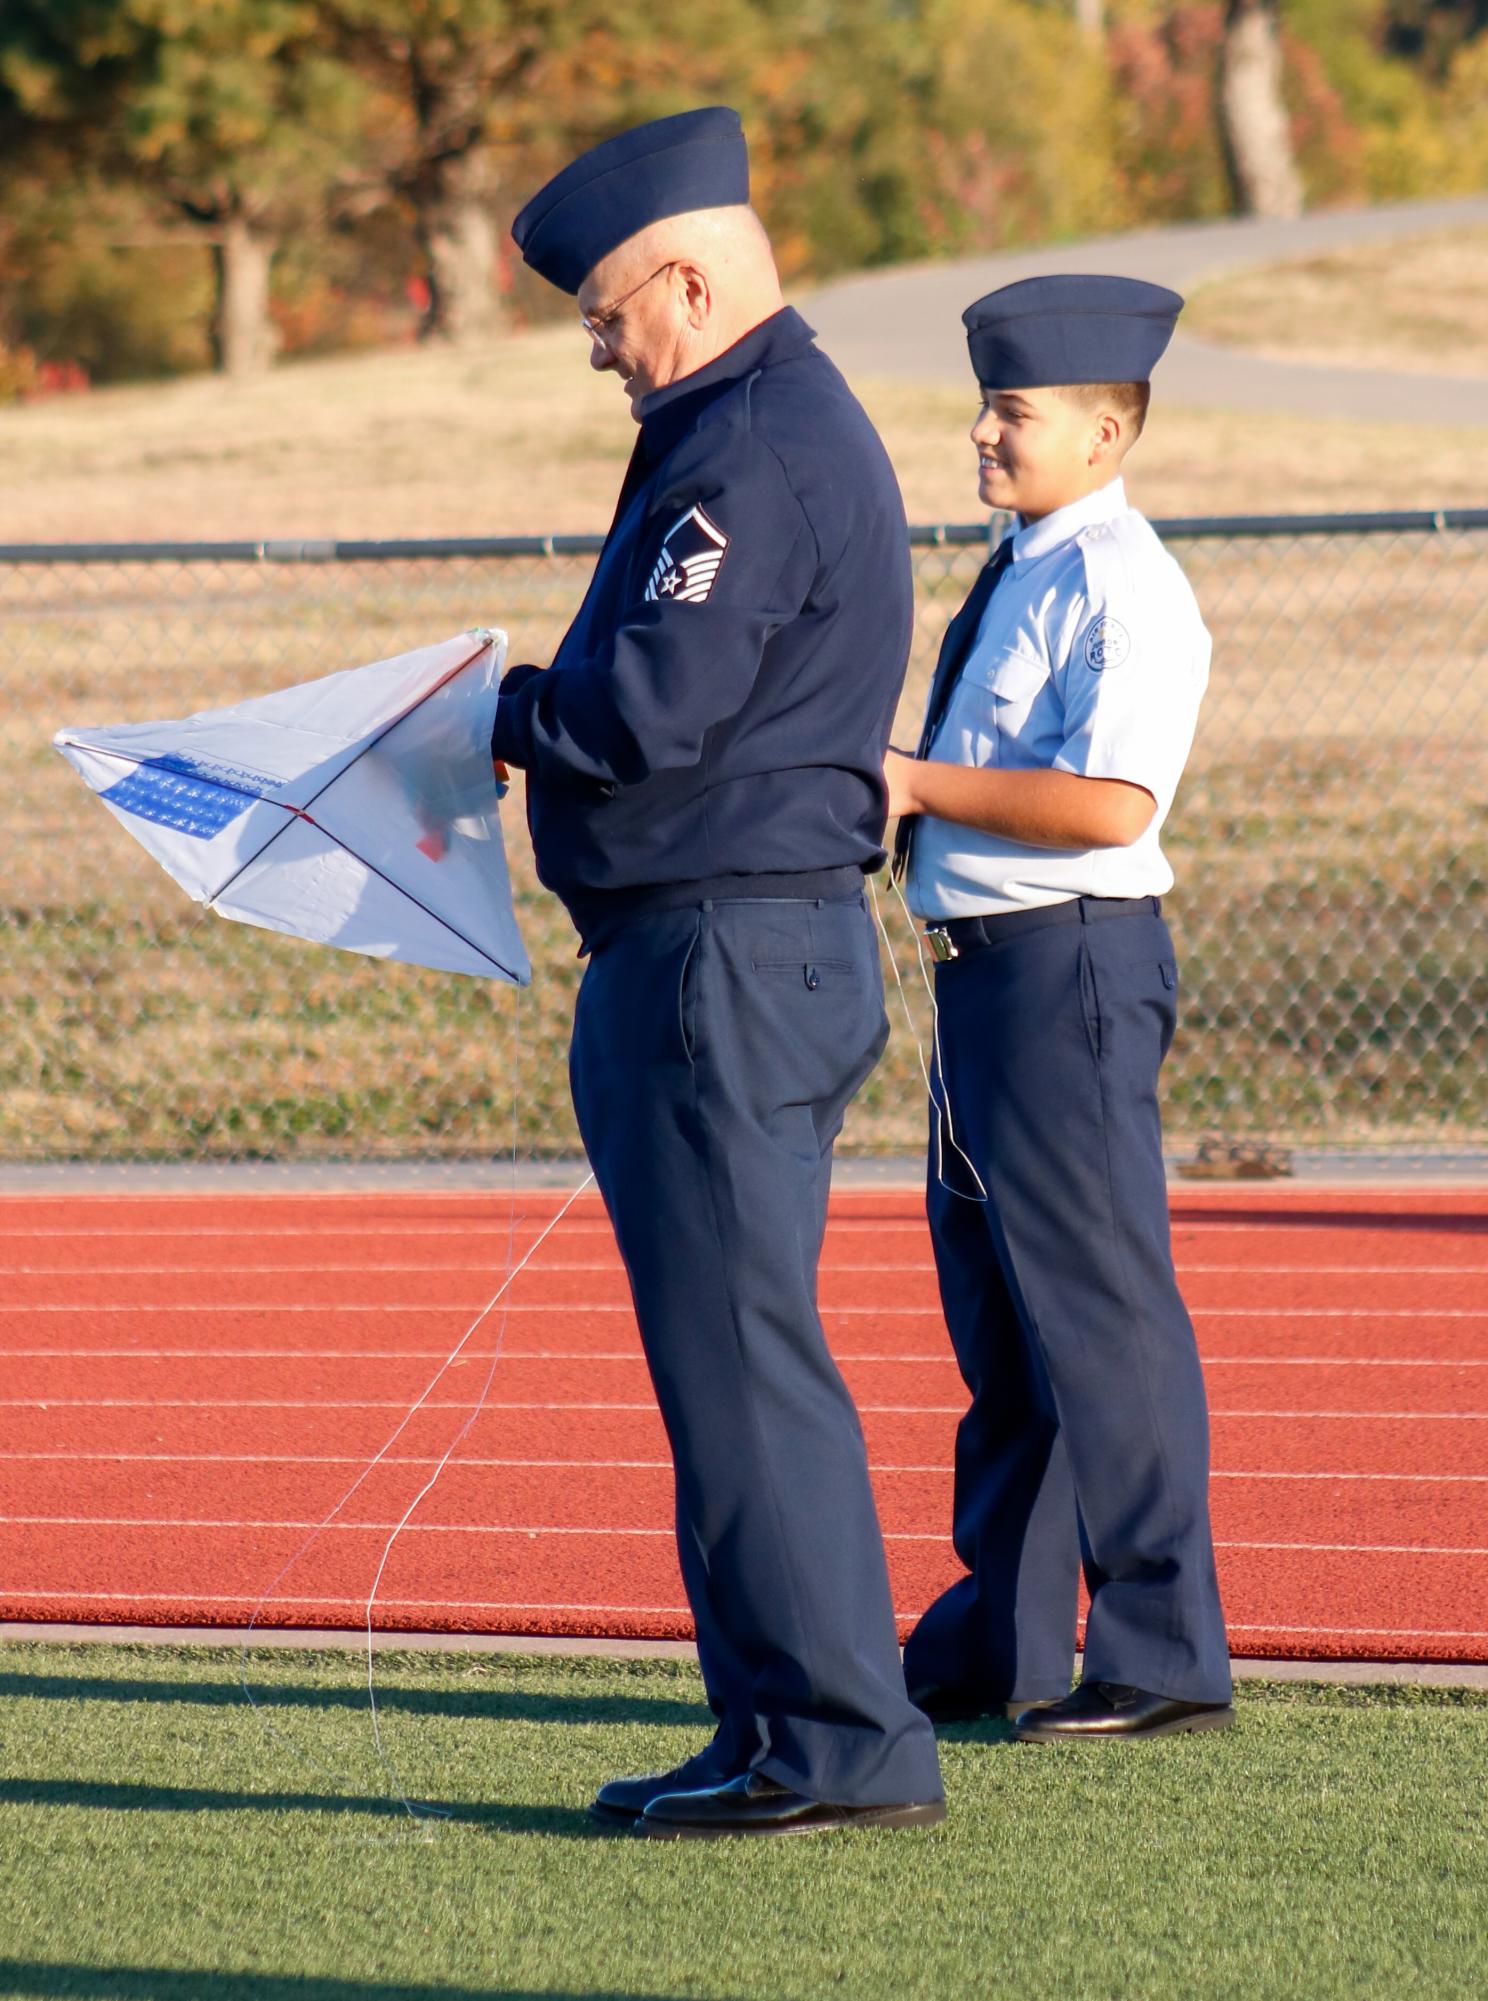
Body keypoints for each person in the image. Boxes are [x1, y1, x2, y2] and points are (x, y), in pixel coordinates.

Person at [493, 108, 944, 1836]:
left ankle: (837, 1738)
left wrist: (502, 705)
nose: (600, 348)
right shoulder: (746, 424)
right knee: (726, 1363)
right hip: (730, 947)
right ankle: (773, 1718)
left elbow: (645, 709)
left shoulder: (748, 444)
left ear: (686, 279)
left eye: (609, 313)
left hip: (720, 952)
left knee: (747, 1366)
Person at [886, 274, 1234, 1742]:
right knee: (1006, 1327)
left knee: (1098, 1315)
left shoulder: (1122, 582)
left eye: (1011, 412)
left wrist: (909, 781)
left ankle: (1161, 1653)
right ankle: (1009, 1636)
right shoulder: (1027, 559)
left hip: (1066, 966)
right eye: (985, 405)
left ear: (1105, 431)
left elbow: (1107, 803)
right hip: (990, 978)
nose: (981, 432)